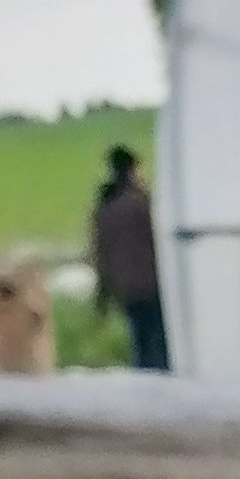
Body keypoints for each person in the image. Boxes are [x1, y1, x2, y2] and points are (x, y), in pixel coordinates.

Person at [90, 145, 169, 368]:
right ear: (133, 169)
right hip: (153, 286)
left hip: (127, 290)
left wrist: (102, 296)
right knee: (160, 346)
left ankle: (145, 386)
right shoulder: (143, 204)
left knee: (141, 343)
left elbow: (100, 253)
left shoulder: (105, 207)